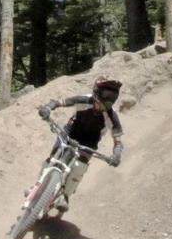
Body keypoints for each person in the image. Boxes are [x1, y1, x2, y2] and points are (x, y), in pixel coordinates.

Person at [36, 76, 124, 213]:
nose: (109, 99)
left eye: (113, 95)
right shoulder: (84, 99)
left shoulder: (112, 116)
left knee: (79, 167)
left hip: (89, 142)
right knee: (54, 155)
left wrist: (117, 154)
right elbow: (59, 102)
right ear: (96, 92)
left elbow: (118, 141)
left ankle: (65, 196)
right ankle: (39, 184)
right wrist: (48, 108)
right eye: (106, 94)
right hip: (70, 132)